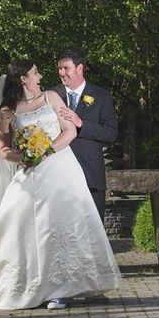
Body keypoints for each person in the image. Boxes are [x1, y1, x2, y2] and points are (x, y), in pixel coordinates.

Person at [0, 60, 120, 310]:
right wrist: (25, 157)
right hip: (29, 172)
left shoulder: (52, 97)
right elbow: (4, 149)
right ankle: (25, 283)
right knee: (19, 224)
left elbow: (70, 131)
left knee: (63, 226)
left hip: (62, 170)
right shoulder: (7, 112)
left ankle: (61, 289)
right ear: (23, 79)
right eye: (35, 72)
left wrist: (46, 151)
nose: (40, 75)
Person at [51, 48, 118, 219]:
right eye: (59, 68)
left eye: (66, 68)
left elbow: (111, 134)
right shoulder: (52, 95)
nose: (61, 73)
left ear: (79, 68)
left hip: (90, 175)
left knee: (93, 233)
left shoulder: (101, 96)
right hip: (59, 176)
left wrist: (81, 124)